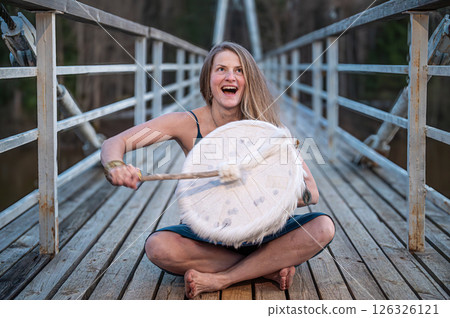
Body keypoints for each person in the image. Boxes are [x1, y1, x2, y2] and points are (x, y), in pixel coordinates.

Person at [101, 41, 335, 299]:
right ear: (208, 79)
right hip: (212, 235)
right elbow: (116, 142)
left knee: (323, 227)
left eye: (239, 70)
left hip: (263, 230)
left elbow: (310, 194)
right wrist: (116, 165)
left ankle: (225, 277)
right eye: (221, 69)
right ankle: (266, 267)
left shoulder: (266, 128)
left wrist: (276, 193)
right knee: (158, 247)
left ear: (248, 80)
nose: (230, 76)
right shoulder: (186, 124)